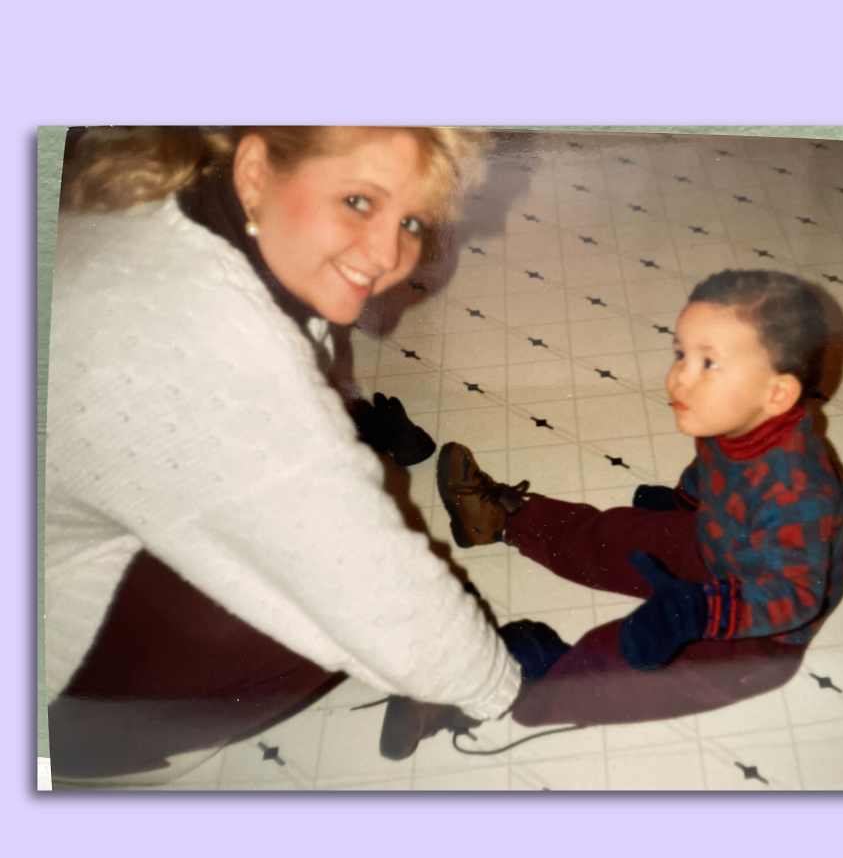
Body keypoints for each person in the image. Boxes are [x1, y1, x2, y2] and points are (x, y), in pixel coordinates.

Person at [44, 126, 527, 782]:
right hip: (45, 667)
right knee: (319, 607)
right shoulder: (204, 345)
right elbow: (370, 582)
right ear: (252, 171)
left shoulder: (165, 201)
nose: (390, 253)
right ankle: (100, 750)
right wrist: (501, 687)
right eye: (358, 201)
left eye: (412, 220)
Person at [426, 269, 843, 730]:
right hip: (722, 544)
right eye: (680, 355)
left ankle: (531, 688)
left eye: (709, 365)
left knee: (631, 659)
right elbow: (712, 469)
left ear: (777, 393)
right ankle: (503, 521)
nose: (679, 380)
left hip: (762, 629)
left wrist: (701, 611)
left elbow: (796, 597)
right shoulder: (731, 419)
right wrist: (685, 503)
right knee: (617, 535)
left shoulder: (798, 493)